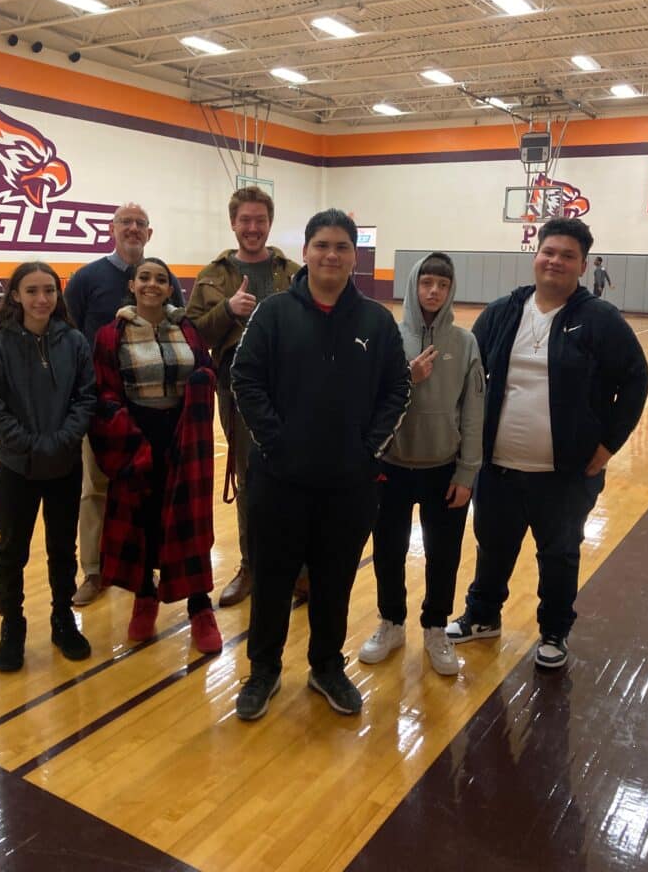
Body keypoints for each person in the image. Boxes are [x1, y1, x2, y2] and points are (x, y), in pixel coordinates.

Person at [231, 208, 411, 720]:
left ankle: (327, 667)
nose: (331, 255)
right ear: (305, 252)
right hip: (279, 479)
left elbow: (397, 388)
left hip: (349, 484)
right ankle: (263, 671)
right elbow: (245, 379)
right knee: (272, 579)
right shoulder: (272, 314)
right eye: (322, 245)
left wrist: (365, 448)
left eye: (342, 247)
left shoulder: (376, 320)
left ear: (354, 256)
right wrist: (276, 443)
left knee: (334, 581)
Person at [448, 218, 648, 668]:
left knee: (558, 555)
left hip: (565, 476)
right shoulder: (502, 312)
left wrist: (608, 445)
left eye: (568, 256)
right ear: (535, 255)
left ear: (582, 266)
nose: (556, 261)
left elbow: (636, 380)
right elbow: (467, 376)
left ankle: (554, 631)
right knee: (492, 546)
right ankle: (483, 617)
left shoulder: (599, 319)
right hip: (497, 469)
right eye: (549, 252)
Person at [358, 252, 484, 676]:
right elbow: (369, 402)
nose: (434, 291)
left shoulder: (464, 343)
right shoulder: (389, 337)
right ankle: (391, 622)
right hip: (391, 468)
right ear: (413, 286)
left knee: (443, 554)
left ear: (450, 291)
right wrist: (404, 378)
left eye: (442, 285)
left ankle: (434, 627)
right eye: (427, 282)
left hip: (443, 469)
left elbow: (473, 412)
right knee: (388, 552)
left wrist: (467, 473)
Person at [89, 258, 221, 651]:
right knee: (142, 521)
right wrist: (124, 433)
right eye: (144, 278)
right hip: (135, 436)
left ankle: (200, 607)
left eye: (160, 280)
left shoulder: (187, 329)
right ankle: (144, 597)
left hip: (183, 437)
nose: (152, 285)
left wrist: (203, 381)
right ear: (131, 285)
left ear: (169, 288)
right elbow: (104, 389)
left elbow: (205, 367)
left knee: (189, 522)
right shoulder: (110, 335)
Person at [0, 262, 96, 672]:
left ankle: (63, 620)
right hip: (16, 470)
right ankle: (13, 627)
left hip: (63, 466)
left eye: (49, 290)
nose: (42, 299)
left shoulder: (74, 341)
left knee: (63, 550)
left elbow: (86, 397)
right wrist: (31, 445)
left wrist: (61, 441)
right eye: (32, 291)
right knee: (11, 552)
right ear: (15, 296)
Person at [65, 203, 183, 605]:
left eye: (140, 224)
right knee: (95, 488)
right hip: (101, 404)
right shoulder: (86, 279)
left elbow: (179, 329)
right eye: (125, 222)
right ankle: (94, 572)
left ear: (149, 234)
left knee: (151, 489)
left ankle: (147, 566)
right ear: (112, 229)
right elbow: (68, 336)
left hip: (153, 409)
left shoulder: (166, 279)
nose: (133, 229)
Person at [187, 185, 300, 607]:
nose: (252, 228)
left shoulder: (292, 272)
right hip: (238, 393)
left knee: (296, 476)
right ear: (233, 223)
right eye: (245, 220)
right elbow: (193, 334)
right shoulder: (212, 276)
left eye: (260, 220)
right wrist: (228, 310)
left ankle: (297, 569)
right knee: (250, 479)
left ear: (269, 223)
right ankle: (251, 565)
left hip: (293, 390)